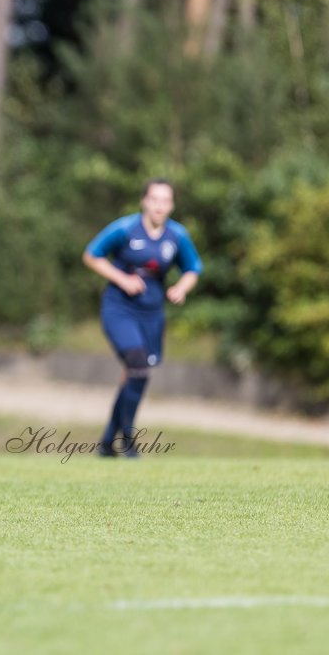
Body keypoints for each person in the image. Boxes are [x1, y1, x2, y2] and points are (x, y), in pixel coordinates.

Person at [82, 179, 200, 458]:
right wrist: (122, 279)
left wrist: (181, 288)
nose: (159, 206)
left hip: (152, 314)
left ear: (171, 205)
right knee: (137, 366)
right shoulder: (125, 229)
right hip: (119, 310)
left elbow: (193, 268)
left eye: (165, 200)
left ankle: (108, 442)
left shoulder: (177, 236)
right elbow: (92, 255)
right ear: (144, 201)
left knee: (134, 375)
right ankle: (128, 440)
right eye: (154, 199)